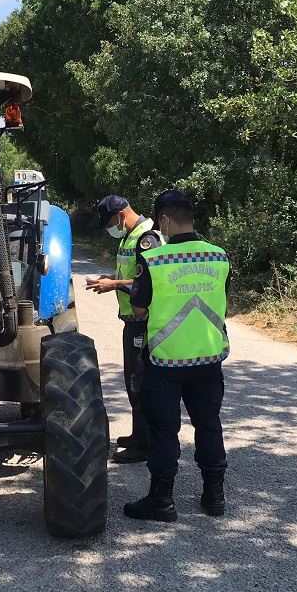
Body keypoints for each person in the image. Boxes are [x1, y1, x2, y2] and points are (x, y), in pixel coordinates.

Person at [124, 188, 230, 522]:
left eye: (160, 223)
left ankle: (162, 500)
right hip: (208, 359)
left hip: (166, 362)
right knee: (209, 425)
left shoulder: (155, 260)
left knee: (164, 431)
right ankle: (214, 497)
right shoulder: (219, 256)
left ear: (166, 220)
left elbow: (139, 309)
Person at [86, 195, 161, 463]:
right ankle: (137, 434)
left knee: (139, 383)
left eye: (109, 222)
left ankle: (144, 445)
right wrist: (111, 280)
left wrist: (115, 285)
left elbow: (151, 280)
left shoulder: (146, 237)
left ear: (120, 215)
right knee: (132, 380)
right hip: (131, 319)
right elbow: (133, 274)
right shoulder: (128, 236)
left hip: (143, 321)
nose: (110, 227)